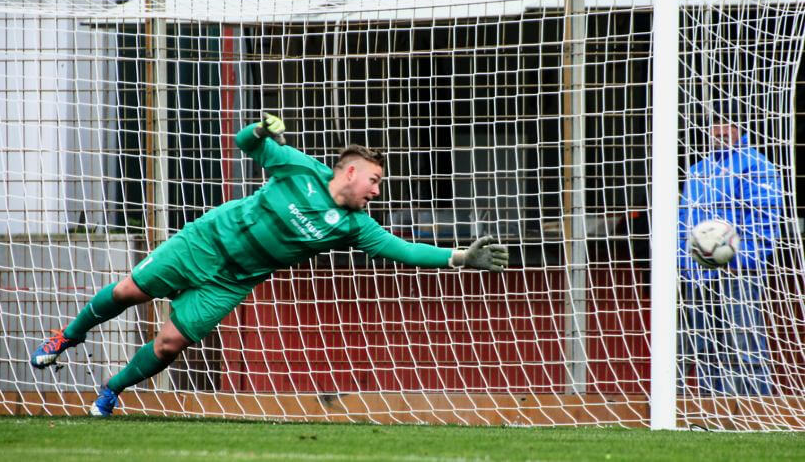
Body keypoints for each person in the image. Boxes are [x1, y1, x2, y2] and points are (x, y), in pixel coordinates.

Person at [30, 113, 510, 415]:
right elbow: (248, 144)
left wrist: (459, 257)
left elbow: (401, 250)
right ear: (351, 172)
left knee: (171, 342)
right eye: (375, 181)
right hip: (204, 242)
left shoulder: (355, 225)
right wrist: (261, 130)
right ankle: (67, 336)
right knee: (128, 292)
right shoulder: (301, 168)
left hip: (232, 280)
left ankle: (110, 391)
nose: (377, 191)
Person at [677, 99, 784, 396]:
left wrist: (734, 256)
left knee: (743, 344)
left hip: (739, 272)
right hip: (698, 273)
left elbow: (765, 222)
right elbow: (683, 221)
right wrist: (684, 261)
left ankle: (755, 407)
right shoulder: (697, 171)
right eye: (715, 124)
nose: (721, 130)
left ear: (741, 128)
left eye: (729, 124)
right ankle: (711, 404)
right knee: (702, 348)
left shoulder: (757, 166)